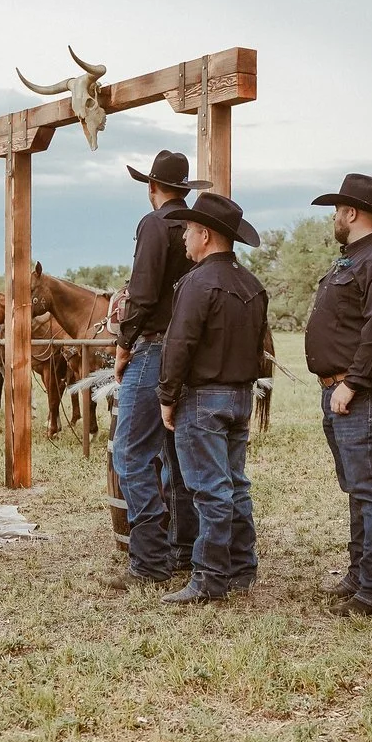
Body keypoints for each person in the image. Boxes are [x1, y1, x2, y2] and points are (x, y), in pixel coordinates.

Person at [305, 173, 372, 617]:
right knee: (358, 486)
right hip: (342, 386)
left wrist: (352, 383)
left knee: (371, 487)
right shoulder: (355, 257)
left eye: (337, 211)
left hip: (363, 387)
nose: (334, 218)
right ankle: (361, 573)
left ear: (351, 213)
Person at [156, 193, 269, 605]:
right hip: (241, 396)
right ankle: (242, 566)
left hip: (203, 399)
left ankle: (209, 577)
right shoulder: (252, 285)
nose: (185, 238)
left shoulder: (196, 283)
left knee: (209, 490)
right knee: (235, 484)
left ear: (205, 235)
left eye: (188, 230)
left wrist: (167, 396)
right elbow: (259, 347)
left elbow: (180, 344)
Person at [103, 150, 208, 589]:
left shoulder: (153, 224)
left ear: (151, 188)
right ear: (183, 188)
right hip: (188, 350)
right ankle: (185, 547)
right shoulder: (193, 228)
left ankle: (149, 559)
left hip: (152, 348)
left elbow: (142, 294)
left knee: (131, 453)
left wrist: (124, 344)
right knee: (176, 453)